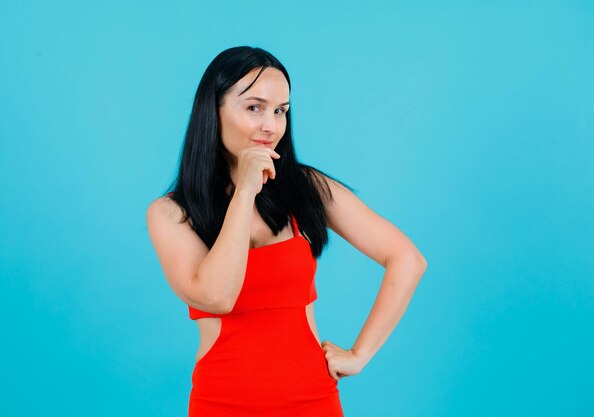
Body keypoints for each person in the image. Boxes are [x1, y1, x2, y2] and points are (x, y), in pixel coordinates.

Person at [146, 45, 428, 416]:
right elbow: (217, 297)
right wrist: (245, 192)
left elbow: (407, 259)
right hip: (222, 403)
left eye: (281, 111)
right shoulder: (170, 214)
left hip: (313, 401)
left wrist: (360, 355)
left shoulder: (306, 187)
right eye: (254, 107)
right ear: (212, 111)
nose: (271, 125)